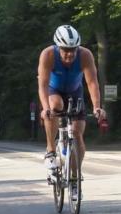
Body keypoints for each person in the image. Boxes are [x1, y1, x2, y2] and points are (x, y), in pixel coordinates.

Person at [37, 25, 106, 191]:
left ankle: (74, 177)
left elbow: (92, 83)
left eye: (73, 49)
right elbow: (43, 85)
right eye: (65, 50)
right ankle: (51, 151)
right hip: (53, 90)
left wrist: (97, 107)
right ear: (58, 47)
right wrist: (45, 108)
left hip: (75, 92)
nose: (69, 54)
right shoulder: (48, 55)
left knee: (77, 134)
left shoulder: (85, 55)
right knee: (55, 106)